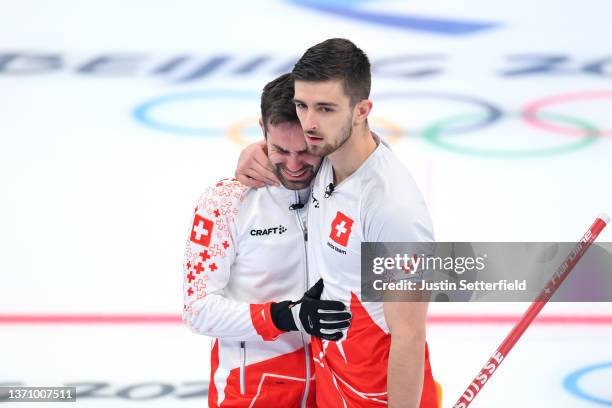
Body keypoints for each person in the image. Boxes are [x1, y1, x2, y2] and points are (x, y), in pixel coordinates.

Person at [237, 39, 440, 407]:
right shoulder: (326, 158)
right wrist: (256, 151)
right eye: (303, 106)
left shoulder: (393, 209)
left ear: (362, 110)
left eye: (326, 109)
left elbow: (409, 336)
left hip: (375, 398)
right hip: (330, 387)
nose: (310, 124)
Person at [182, 73, 351, 408]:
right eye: (279, 149)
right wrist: (285, 316)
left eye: (304, 151)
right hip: (253, 390)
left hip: (335, 384)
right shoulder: (225, 202)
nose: (293, 165)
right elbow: (197, 310)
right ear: (262, 131)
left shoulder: (342, 189)